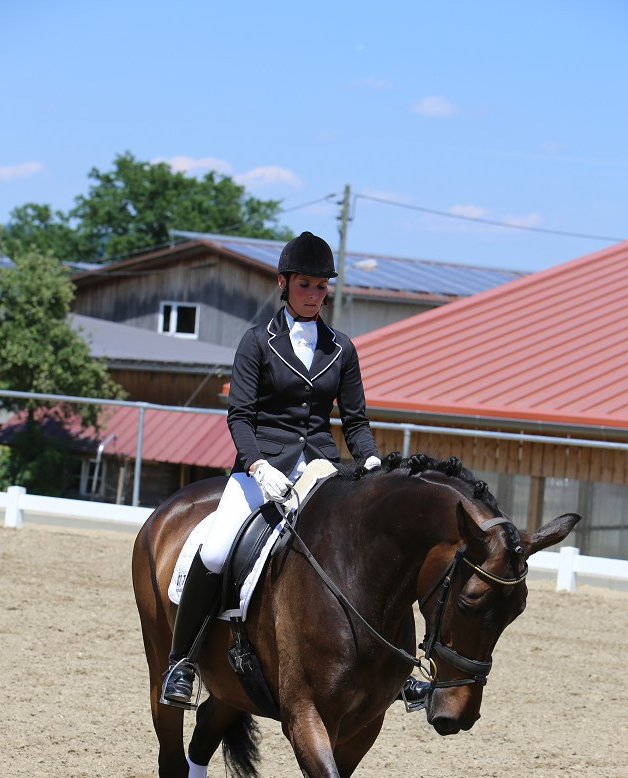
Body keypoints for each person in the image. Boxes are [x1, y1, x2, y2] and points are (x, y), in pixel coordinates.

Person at [161, 231, 428, 710]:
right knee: (218, 548)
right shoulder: (256, 342)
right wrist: (257, 464)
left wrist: (369, 459)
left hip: (321, 466)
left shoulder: (341, 348)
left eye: (322, 287)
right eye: (306, 284)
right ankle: (182, 661)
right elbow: (239, 416)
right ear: (283, 283)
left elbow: (356, 419)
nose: (314, 294)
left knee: (369, 547)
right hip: (262, 465)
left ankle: (398, 664)